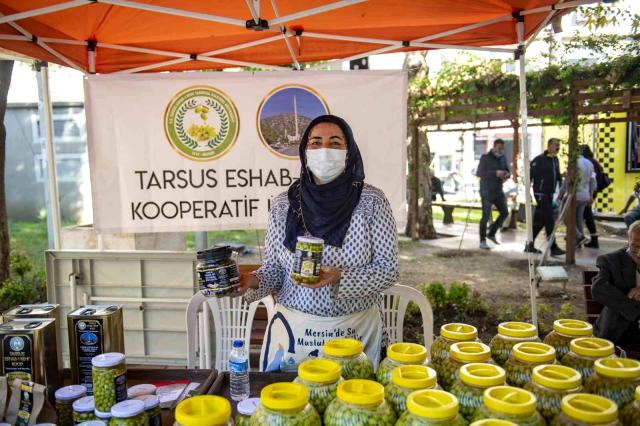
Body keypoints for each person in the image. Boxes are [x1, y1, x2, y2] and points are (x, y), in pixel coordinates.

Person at [236, 115, 398, 372]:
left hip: (355, 333)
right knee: (292, 405)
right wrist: (252, 280)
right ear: (304, 151)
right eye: (316, 143)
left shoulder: (371, 202)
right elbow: (275, 271)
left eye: (335, 143)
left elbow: (388, 270)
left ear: (349, 151)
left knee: (355, 405)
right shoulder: (283, 205)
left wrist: (338, 277)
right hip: (294, 333)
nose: (325, 150)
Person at [592, 220, 640, 345]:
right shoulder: (611, 261)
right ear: (628, 240)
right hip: (617, 331)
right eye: (636, 246)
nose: (639, 253)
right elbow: (598, 288)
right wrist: (634, 308)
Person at [528, 138, 565, 256]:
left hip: (550, 194)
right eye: (556, 145)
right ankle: (553, 247)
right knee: (549, 220)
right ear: (549, 145)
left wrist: (561, 177)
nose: (558, 148)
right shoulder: (539, 160)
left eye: (559, 145)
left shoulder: (555, 160)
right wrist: (528, 193)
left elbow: (556, 176)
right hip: (540, 193)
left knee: (540, 221)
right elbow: (530, 176)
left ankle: (529, 245)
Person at [476, 139, 510, 250]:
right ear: (494, 146)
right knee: (485, 215)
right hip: (486, 190)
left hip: (498, 190)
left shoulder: (503, 158)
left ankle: (491, 233)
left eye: (502, 149)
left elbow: (506, 170)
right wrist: (495, 173)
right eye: (499, 148)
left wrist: (506, 174)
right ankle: (482, 240)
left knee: (505, 212)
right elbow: (479, 173)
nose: (501, 151)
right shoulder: (485, 157)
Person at [560, 151, 597, 248]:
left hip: (574, 195)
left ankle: (580, 237)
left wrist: (561, 192)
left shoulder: (573, 162)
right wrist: (591, 194)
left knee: (565, 217)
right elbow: (593, 180)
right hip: (585, 195)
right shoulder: (589, 163)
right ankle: (578, 241)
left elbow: (568, 180)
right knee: (579, 219)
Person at [581, 145, 604, 248]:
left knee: (586, 215)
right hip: (591, 192)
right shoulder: (593, 162)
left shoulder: (588, 163)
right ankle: (591, 239)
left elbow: (592, 180)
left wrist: (590, 194)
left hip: (588, 192)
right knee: (586, 214)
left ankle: (589, 239)